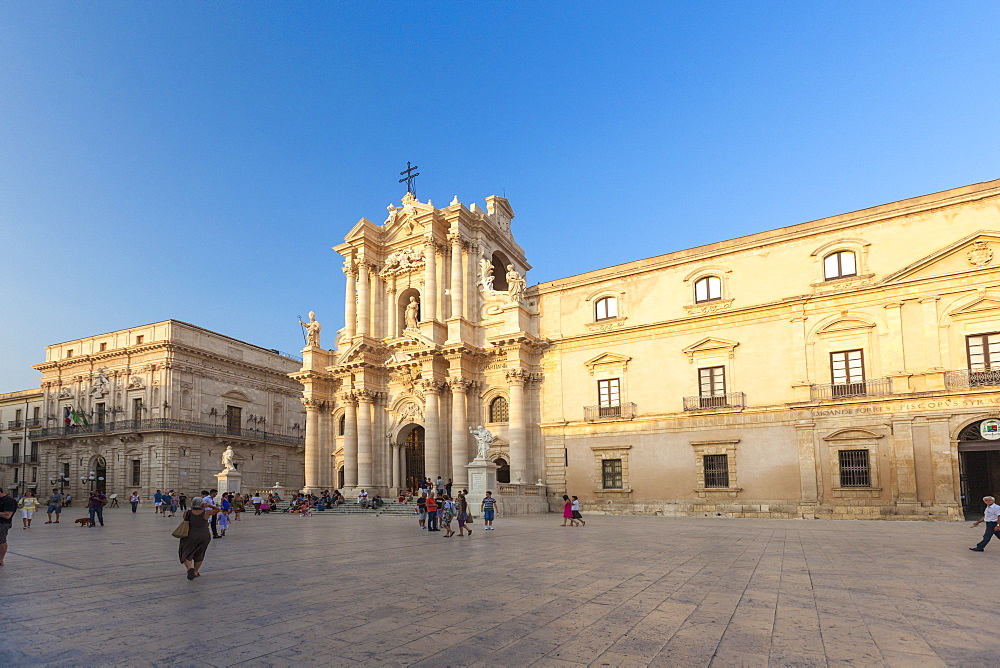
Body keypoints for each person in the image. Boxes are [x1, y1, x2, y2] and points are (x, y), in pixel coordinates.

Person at [178, 496, 218, 580]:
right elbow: (218, 510)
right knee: (200, 553)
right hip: (204, 535)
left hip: (190, 535)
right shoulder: (206, 513)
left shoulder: (187, 512)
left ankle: (189, 569)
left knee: (186, 551)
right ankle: (195, 572)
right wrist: (209, 505)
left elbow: (185, 521)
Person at [0, 487, 18, 566]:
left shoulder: (9, 500)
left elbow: (7, 515)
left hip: (3, 524)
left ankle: (0, 560)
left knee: (1, 541)